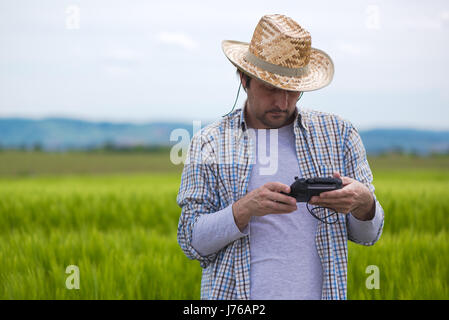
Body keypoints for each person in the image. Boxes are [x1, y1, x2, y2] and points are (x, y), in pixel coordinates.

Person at [177, 14, 384, 300]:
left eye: (292, 89)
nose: (282, 102)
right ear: (244, 79)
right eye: (271, 87)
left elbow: (368, 235)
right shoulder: (209, 142)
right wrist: (244, 209)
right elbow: (191, 241)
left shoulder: (340, 134)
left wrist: (365, 203)